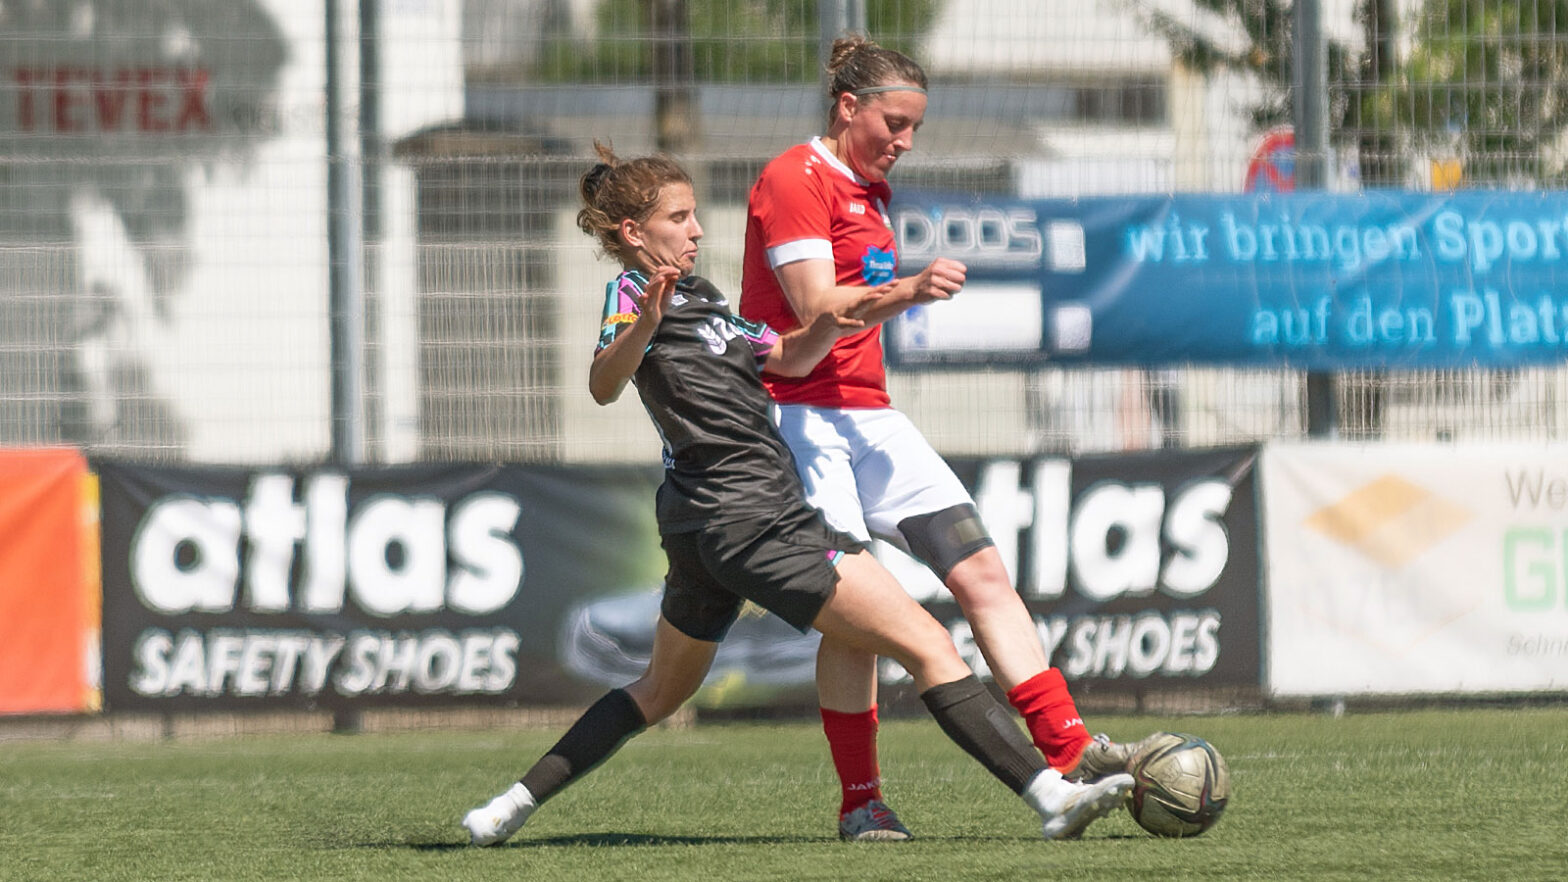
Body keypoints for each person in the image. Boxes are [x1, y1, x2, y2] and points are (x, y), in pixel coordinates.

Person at [461, 144, 1133, 847]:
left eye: (695, 217)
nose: (695, 231)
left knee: (661, 691)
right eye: (679, 217)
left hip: (703, 527)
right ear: (633, 232)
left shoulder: (706, 299)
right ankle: (1052, 794)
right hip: (756, 518)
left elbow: (786, 355)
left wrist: (868, 306)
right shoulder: (634, 296)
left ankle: (507, 807)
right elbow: (604, 383)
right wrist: (646, 327)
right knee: (932, 645)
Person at [739, 35, 1157, 841]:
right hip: (800, 419)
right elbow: (813, 307)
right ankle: (861, 801)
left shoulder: (870, 190)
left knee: (983, 571)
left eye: (914, 129)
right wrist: (912, 288)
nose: (903, 141)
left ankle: (1072, 750)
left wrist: (902, 291)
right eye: (893, 123)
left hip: (869, 415)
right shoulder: (795, 177)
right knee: (855, 619)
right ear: (847, 106)